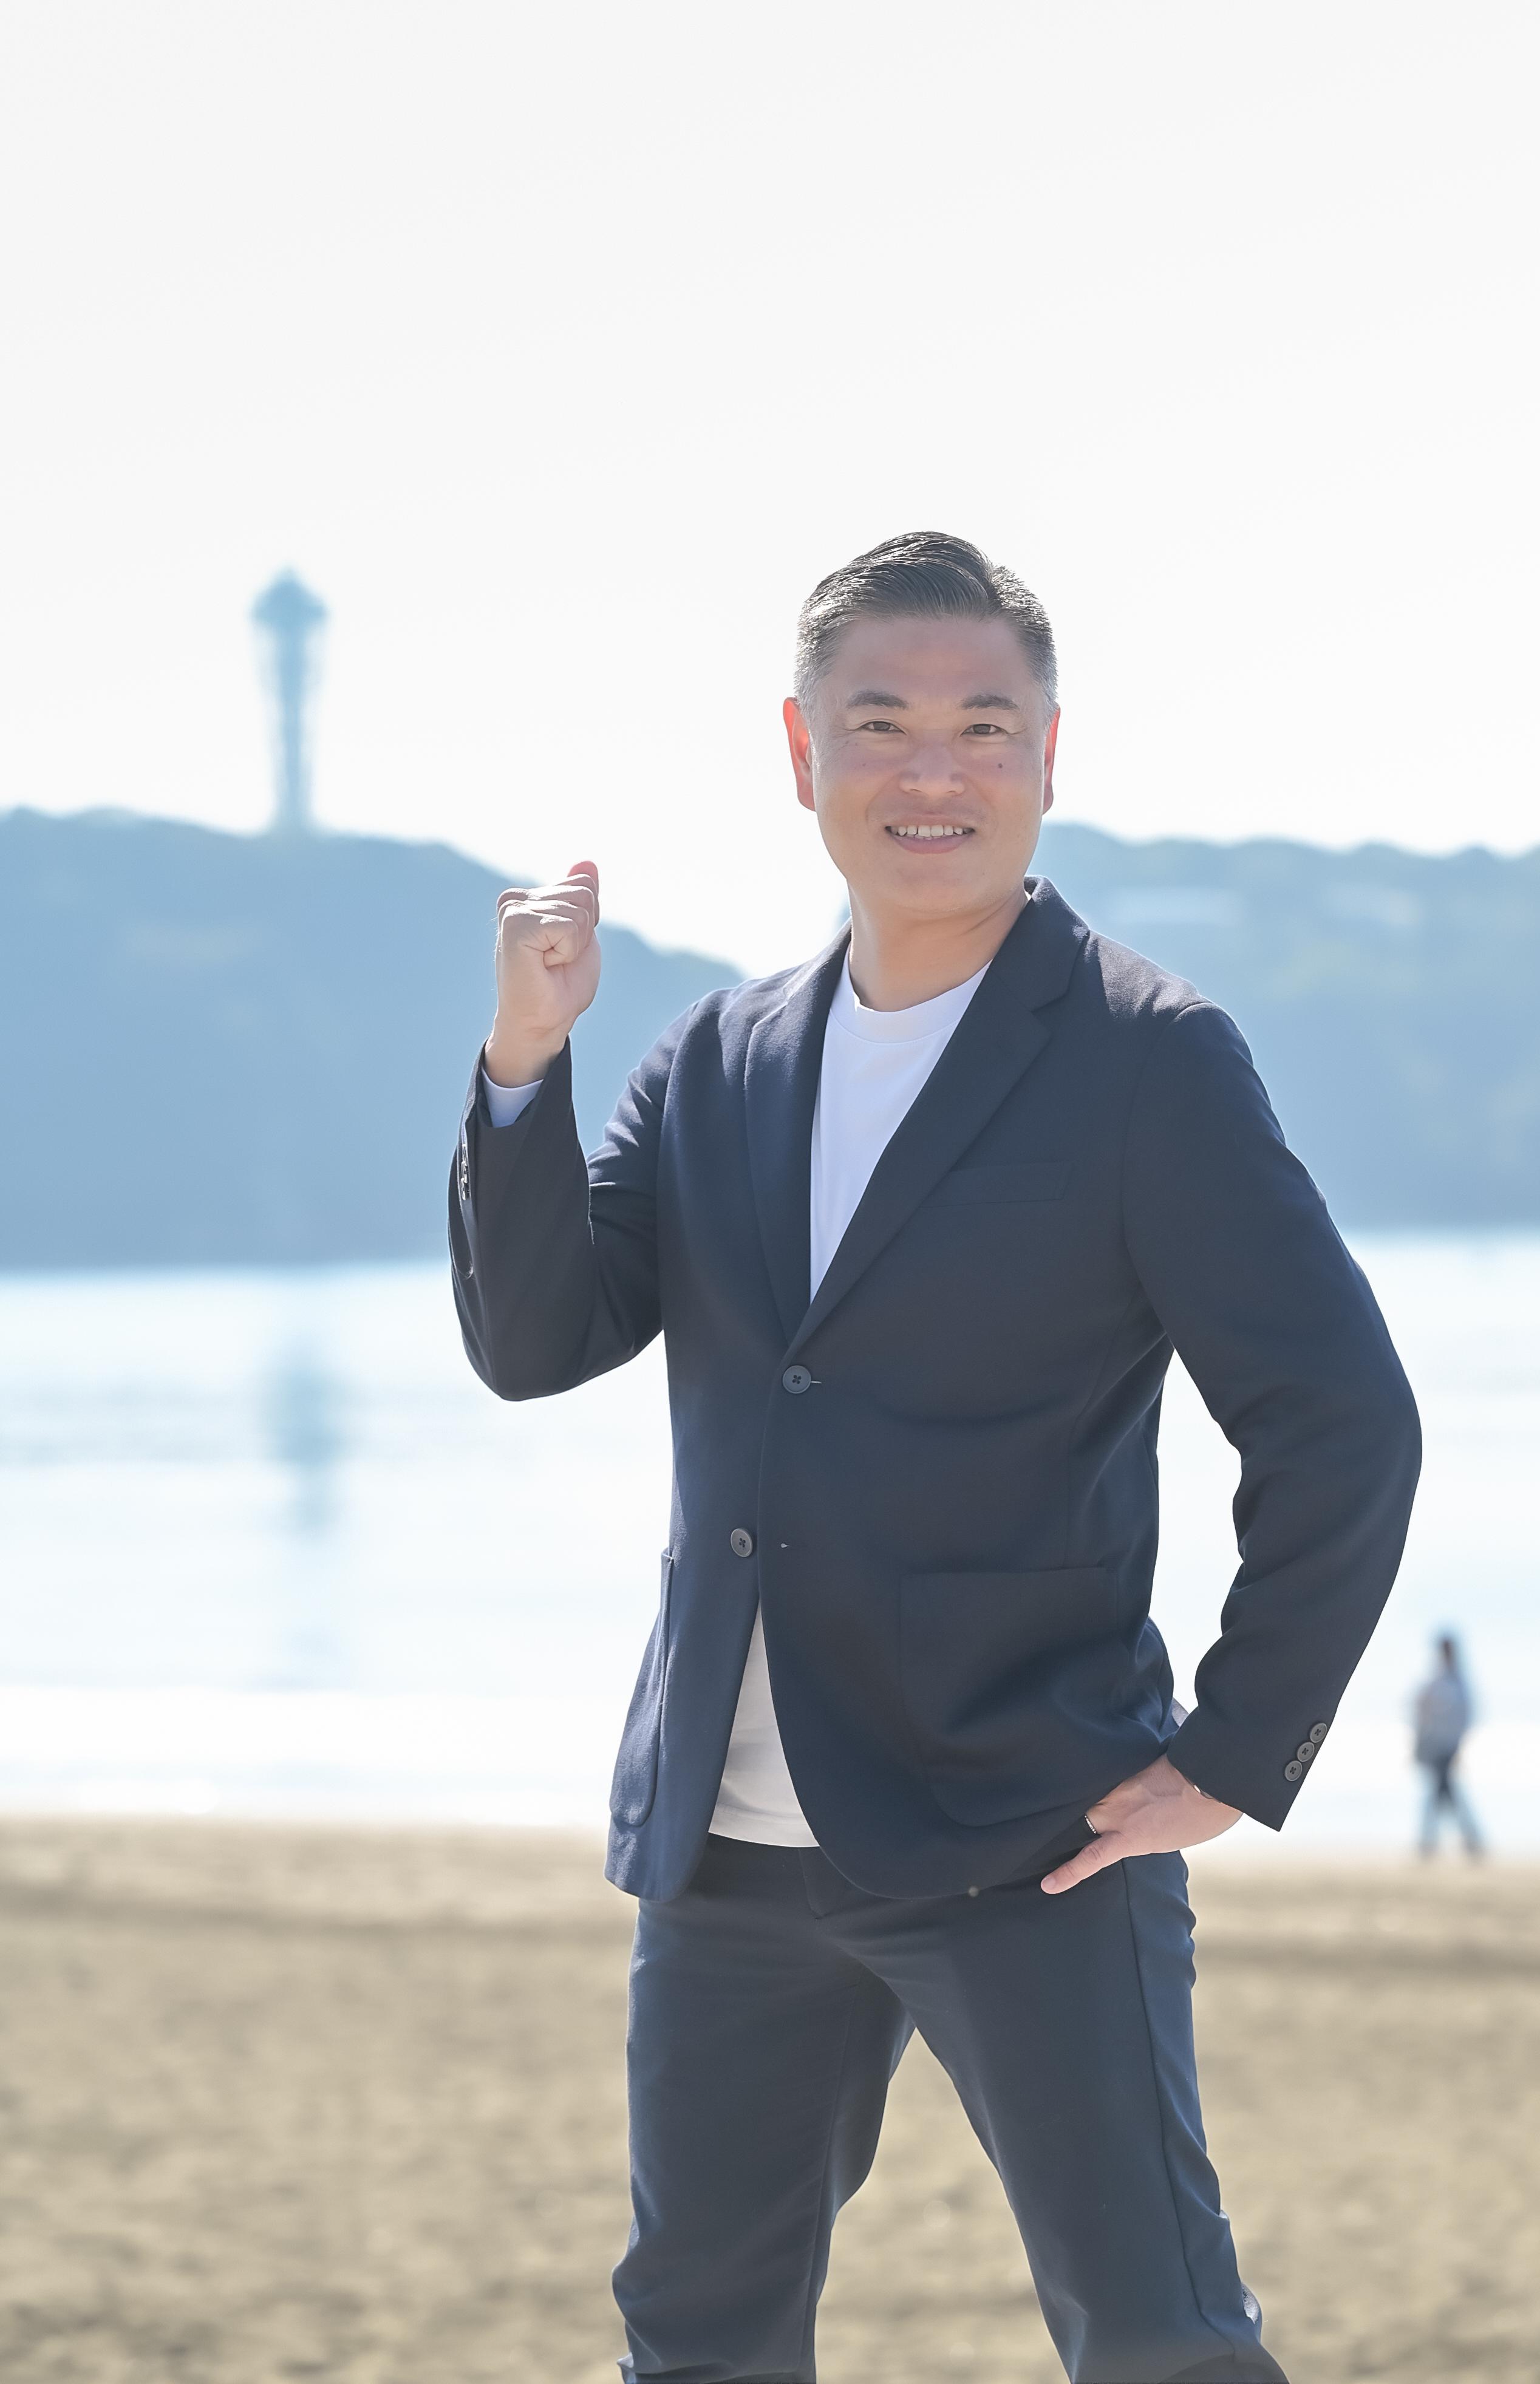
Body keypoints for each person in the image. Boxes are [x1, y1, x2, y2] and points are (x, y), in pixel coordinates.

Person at [450, 533, 1422, 2384]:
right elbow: (534, 1338)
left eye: (983, 724)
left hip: (1024, 1823)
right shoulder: (715, 1055)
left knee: (1155, 2333)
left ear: (1048, 753)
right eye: (881, 721)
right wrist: (523, 1059)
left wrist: (1237, 1744)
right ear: (801, 752)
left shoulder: (1147, 1057)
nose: (933, 768)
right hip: (724, 1845)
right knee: (696, 2333)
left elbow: (1340, 1415)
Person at [1413, 1632, 1483, 1858]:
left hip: (1446, 1746)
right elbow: (1422, 1708)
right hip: (1436, 1745)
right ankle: (1467, 1842)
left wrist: (1457, 1744)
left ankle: (1433, 1843)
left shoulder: (1454, 1679)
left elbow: (1464, 1715)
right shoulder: (1442, 1678)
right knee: (1444, 1795)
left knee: (1442, 1795)